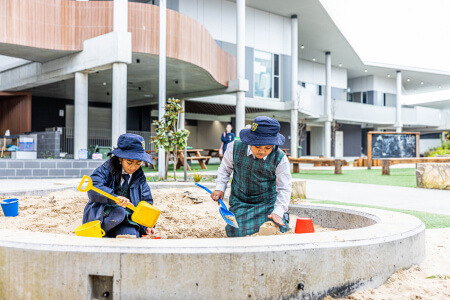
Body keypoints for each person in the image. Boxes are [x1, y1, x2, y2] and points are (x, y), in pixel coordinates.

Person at [211, 116, 292, 237]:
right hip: (240, 200)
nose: (262, 152)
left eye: (268, 148)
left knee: (275, 229)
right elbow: (224, 169)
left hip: (266, 202)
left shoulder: (280, 157)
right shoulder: (234, 147)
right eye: (257, 147)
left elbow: (284, 188)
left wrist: (278, 211)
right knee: (236, 231)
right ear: (250, 140)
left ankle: (283, 217)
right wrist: (220, 188)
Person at [82, 133, 156, 238]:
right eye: (129, 162)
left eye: (138, 163)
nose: (133, 167)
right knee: (119, 212)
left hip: (127, 219)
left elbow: (146, 200)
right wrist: (114, 198)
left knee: (131, 236)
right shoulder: (106, 169)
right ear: (120, 158)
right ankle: (103, 233)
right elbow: (93, 188)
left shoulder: (139, 177)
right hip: (103, 216)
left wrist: (148, 225)